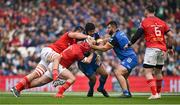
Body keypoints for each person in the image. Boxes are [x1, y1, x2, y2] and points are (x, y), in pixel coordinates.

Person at [10, 26, 89, 97]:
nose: (81, 35)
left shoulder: (75, 44)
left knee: (39, 80)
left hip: (52, 61)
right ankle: (55, 78)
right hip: (49, 51)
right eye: (81, 32)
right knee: (57, 57)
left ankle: (17, 88)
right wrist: (88, 36)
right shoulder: (69, 34)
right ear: (76, 31)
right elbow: (76, 35)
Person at [126, 5, 174, 99]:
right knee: (158, 72)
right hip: (162, 49)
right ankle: (159, 93)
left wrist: (129, 43)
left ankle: (154, 93)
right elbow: (171, 35)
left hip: (152, 48)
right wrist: (170, 47)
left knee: (147, 72)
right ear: (154, 12)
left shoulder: (145, 21)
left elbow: (138, 34)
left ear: (146, 11)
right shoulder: (162, 22)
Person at [88, 21, 138, 98]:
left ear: (113, 28)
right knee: (124, 76)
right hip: (130, 57)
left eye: (108, 28)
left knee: (117, 72)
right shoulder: (119, 33)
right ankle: (128, 93)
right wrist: (102, 40)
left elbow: (104, 48)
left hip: (130, 58)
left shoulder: (115, 37)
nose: (107, 30)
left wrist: (92, 46)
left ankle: (126, 93)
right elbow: (108, 39)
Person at [77, 23, 109, 97]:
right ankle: (91, 90)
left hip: (94, 58)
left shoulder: (95, 34)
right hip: (84, 61)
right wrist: (92, 46)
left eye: (93, 31)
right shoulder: (80, 37)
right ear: (86, 31)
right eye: (90, 31)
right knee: (93, 79)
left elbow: (100, 43)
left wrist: (98, 49)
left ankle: (101, 88)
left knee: (105, 74)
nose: (92, 33)